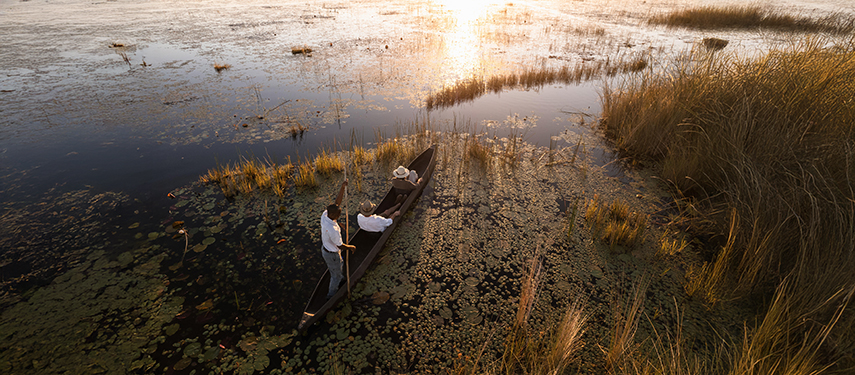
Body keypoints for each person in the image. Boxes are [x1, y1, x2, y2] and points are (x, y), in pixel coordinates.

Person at [320, 179, 356, 299]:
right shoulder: (333, 230)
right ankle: (331, 296)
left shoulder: (325, 216)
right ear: (335, 216)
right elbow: (340, 245)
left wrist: (342, 188)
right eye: (338, 215)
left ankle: (340, 277)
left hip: (326, 249)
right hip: (332, 254)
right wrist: (350, 247)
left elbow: (337, 204)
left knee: (337, 268)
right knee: (334, 276)